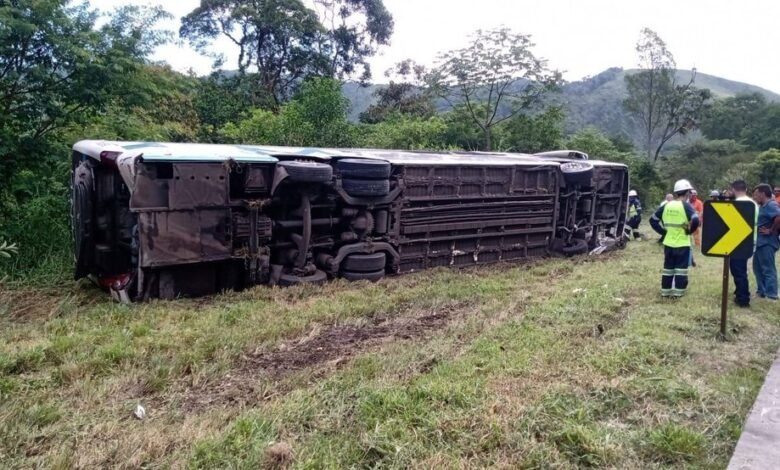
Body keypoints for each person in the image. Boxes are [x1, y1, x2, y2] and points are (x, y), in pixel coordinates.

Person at [649, 179, 700, 298]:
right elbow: (696, 220)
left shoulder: (667, 205)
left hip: (668, 243)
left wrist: (663, 232)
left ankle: (665, 291)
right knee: (681, 269)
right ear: (687, 193)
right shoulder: (686, 206)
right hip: (682, 243)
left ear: (676, 192)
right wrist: (689, 231)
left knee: (668, 268)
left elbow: (653, 220)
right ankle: (677, 293)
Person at [729, 180, 758, 307]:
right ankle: (740, 292)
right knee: (741, 269)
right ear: (745, 189)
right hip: (751, 240)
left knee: (738, 270)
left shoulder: (736, 204)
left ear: (734, 189)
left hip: (739, 242)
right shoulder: (753, 203)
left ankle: (743, 298)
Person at [753, 184, 780, 301]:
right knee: (757, 267)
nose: (755, 197)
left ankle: (772, 295)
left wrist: (771, 230)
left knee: (768, 269)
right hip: (760, 242)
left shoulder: (771, 204)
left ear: (763, 193)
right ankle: (762, 291)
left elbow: (778, 217)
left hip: (767, 243)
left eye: (756, 194)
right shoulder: (763, 206)